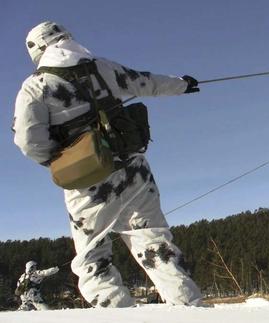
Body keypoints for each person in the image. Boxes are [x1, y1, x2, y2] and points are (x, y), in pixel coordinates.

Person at [13, 21, 204, 308]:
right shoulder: (102, 67)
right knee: (155, 244)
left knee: (93, 258)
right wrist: (182, 84)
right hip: (135, 169)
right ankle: (190, 308)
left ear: (36, 50)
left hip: (89, 179)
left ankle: (116, 312)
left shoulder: (36, 86)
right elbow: (145, 82)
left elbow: (28, 141)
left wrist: (61, 162)